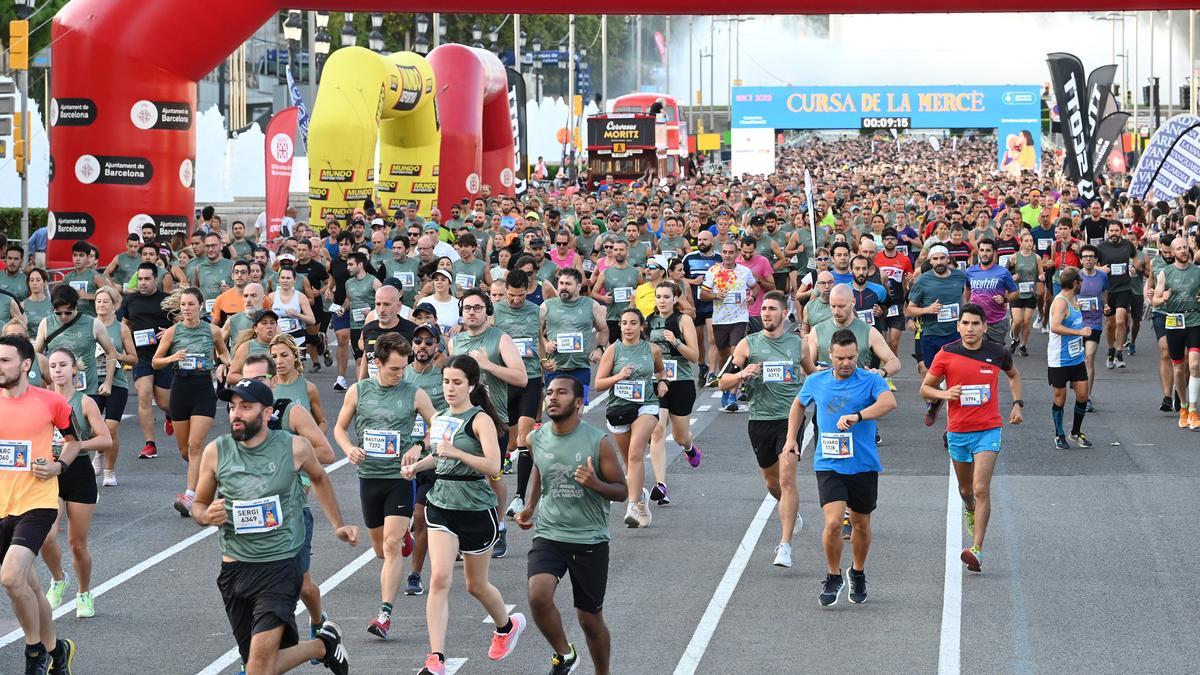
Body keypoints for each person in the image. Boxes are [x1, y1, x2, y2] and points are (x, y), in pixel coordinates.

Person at [191, 378, 356, 675]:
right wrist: (205, 515)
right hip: (235, 569)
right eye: (232, 407)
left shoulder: (294, 447)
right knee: (259, 666)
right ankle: (323, 646)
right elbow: (198, 504)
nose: (236, 414)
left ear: (267, 413)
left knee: (256, 668)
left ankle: (322, 645)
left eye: (246, 407)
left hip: (280, 566)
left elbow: (320, 478)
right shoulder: (217, 451)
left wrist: (338, 525)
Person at [400, 355, 528, 675]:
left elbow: (493, 466)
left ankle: (506, 626)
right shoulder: (441, 416)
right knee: (439, 578)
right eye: (446, 382)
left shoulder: (480, 419)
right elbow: (437, 455)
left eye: (457, 382)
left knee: (475, 585)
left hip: (475, 504)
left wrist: (458, 452)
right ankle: (436, 658)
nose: (450, 388)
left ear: (471, 385)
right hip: (441, 502)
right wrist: (416, 467)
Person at [515, 376, 627, 675]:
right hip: (550, 533)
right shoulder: (536, 437)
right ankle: (564, 654)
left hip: (589, 538)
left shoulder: (597, 441)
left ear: (578, 403)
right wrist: (530, 505)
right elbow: (540, 466)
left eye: (561, 393)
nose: (552, 398)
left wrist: (595, 484)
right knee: (538, 595)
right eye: (549, 393)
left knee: (589, 619)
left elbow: (622, 490)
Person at [332, 331, 436, 639]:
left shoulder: (414, 393)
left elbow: (438, 425)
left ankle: (384, 615)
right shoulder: (358, 391)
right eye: (394, 368)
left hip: (400, 479)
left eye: (403, 368)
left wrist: (419, 446)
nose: (400, 374)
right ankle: (405, 538)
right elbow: (339, 428)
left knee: (391, 547)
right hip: (369, 478)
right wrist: (349, 448)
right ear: (376, 363)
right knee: (380, 549)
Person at [792, 329, 897, 606]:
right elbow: (799, 405)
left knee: (861, 525)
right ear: (831, 355)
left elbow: (889, 403)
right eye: (841, 358)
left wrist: (858, 416)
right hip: (829, 462)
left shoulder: (871, 380)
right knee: (834, 522)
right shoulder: (816, 381)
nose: (846, 363)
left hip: (862, 463)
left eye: (851, 357)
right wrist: (792, 438)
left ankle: (858, 572)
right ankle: (833, 575)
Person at [241, 350, 334, 653]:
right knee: (254, 592)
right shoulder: (238, 419)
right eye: (246, 380)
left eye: (257, 379)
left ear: (271, 382)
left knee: (302, 587)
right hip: (252, 517)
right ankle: (254, 657)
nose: (250, 386)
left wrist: (290, 458)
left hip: (291, 513)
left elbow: (326, 453)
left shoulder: (289, 411)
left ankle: (319, 624)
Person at [920, 304, 1023, 573]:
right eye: (965, 323)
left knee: (980, 488)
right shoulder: (947, 354)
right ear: (958, 326)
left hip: (988, 429)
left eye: (975, 324)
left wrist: (1017, 403)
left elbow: (1013, 375)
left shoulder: (997, 353)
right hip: (958, 432)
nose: (970, 329)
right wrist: (945, 395)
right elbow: (925, 388)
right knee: (966, 491)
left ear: (984, 327)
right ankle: (969, 508)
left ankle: (977, 549)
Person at [0, 335, 79, 675]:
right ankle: (57, 650)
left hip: (37, 502)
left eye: (5, 360)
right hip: (3, 504)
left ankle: (34, 654)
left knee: (11, 577)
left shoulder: (51, 402)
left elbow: (74, 441)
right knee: (30, 586)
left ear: (26, 365)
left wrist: (59, 465)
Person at [720, 291, 811, 567]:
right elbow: (722, 382)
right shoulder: (748, 345)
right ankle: (791, 512)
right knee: (772, 483)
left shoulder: (799, 345)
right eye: (764, 309)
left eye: (773, 309)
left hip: (791, 419)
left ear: (785, 314)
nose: (767, 313)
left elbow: (813, 374)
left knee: (786, 479)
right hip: (760, 419)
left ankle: (785, 546)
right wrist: (742, 374)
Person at [448, 288, 528, 557]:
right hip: (461, 420)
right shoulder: (455, 342)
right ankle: (464, 533)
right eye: (467, 308)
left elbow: (521, 378)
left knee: (491, 475)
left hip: (494, 419)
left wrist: (488, 365)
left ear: (487, 311)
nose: (472, 312)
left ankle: (500, 526)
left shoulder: (500, 338)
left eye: (477, 307)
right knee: (462, 476)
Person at [40, 348, 113, 620]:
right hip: (51, 471)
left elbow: (106, 439)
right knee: (46, 537)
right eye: (54, 365)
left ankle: (84, 592)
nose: (57, 370)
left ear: (74, 369)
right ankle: (58, 579)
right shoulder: (43, 400)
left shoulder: (85, 402)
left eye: (63, 365)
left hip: (79, 470)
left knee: (77, 543)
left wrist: (75, 444)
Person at [151, 288, 231, 516]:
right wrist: (173, 358)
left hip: (203, 388)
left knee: (196, 445)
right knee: (186, 450)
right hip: (180, 388)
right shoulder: (173, 332)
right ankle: (213, 469)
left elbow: (224, 353)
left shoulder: (213, 331)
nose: (186, 309)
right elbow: (156, 362)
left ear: (200, 306)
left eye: (190, 304)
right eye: (183, 305)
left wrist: (227, 363)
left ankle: (190, 496)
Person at [594, 308, 667, 529]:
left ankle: (632, 505)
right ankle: (641, 495)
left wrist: (663, 382)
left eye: (633, 323)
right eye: (624, 323)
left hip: (646, 405)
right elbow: (598, 384)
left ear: (641, 326)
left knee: (636, 452)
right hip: (619, 409)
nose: (627, 327)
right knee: (629, 462)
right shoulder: (613, 350)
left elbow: (661, 371)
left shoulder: (651, 349)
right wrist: (619, 376)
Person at [645, 281, 703, 505]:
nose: (661, 301)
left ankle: (689, 447)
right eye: (658, 296)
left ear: (675, 298)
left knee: (679, 436)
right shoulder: (649, 321)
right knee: (657, 431)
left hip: (682, 381)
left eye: (666, 297)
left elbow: (695, 356)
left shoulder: (683, 319)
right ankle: (661, 485)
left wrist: (676, 341)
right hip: (657, 381)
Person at [492, 271, 544, 518]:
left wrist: (545, 357)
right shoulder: (496, 311)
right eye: (511, 296)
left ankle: (519, 497)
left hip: (531, 378)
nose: (515, 300)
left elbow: (541, 337)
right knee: (510, 441)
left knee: (524, 438)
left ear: (527, 289)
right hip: (504, 381)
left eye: (520, 295)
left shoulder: (536, 310)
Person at [403, 322, 445, 597]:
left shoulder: (444, 378)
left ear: (437, 347)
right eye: (418, 340)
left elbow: (440, 423)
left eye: (428, 342)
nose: (422, 346)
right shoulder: (400, 374)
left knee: (421, 516)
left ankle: (415, 574)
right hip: (397, 459)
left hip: (430, 458)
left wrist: (422, 444)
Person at [907, 245, 969, 424]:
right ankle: (937, 401)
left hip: (954, 335)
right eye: (935, 259)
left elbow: (963, 299)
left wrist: (964, 319)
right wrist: (928, 309)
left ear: (948, 259)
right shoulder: (923, 280)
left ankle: (953, 425)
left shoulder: (959, 276)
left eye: (942, 258)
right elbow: (910, 309)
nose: (939, 262)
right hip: (931, 334)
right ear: (930, 260)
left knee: (955, 378)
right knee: (933, 379)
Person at [124, 263, 175, 460]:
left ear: (155, 280)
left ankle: (170, 416)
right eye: (140, 279)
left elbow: (180, 322)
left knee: (164, 402)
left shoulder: (166, 300)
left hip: (162, 356)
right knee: (144, 395)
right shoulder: (131, 301)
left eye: (147, 279)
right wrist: (126, 337)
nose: (143, 283)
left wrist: (169, 332)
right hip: (141, 357)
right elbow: (126, 322)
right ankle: (150, 444)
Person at [701, 240, 757, 412]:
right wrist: (715, 295)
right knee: (724, 357)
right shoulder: (713, 271)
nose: (727, 255)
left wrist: (752, 297)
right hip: (720, 320)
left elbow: (755, 287)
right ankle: (726, 387)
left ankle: (733, 394)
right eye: (724, 252)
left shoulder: (744, 271)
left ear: (736, 253)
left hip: (739, 318)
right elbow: (703, 294)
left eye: (730, 252)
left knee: (735, 355)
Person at [1152, 235, 1200, 430]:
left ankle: (1195, 411)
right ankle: (1184, 407)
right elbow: (1155, 300)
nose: (1182, 251)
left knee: (1195, 364)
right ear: (1172, 252)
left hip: (1194, 319)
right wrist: (1161, 298)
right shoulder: (1165, 273)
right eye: (1178, 248)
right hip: (1174, 321)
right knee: (1179, 369)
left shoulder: (1198, 271)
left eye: (1184, 247)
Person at [91, 287, 137, 486]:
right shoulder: (88, 326)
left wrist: (115, 354)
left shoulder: (121, 328)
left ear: (114, 305)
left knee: (111, 428)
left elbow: (134, 358)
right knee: (91, 427)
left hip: (117, 382)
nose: (101, 305)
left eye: (105, 301)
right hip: (92, 380)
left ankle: (109, 470)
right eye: (98, 301)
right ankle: (100, 449)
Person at [540, 268, 608, 395]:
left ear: (578, 286)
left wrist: (599, 348)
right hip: (554, 367)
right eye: (561, 283)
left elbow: (603, 329)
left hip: (581, 368)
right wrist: (545, 343)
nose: (563, 287)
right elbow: (536, 333)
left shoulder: (591, 305)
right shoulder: (547, 305)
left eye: (568, 284)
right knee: (557, 409)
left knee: (578, 408)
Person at [1047, 267, 1093, 449]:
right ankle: (1059, 434)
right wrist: (1079, 332)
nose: (1081, 284)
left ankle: (1075, 432)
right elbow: (1055, 326)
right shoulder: (1061, 303)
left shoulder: (1072, 301)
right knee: (1060, 398)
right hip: (1059, 359)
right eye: (1080, 281)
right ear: (1075, 283)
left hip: (1076, 358)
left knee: (1083, 394)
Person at [1096, 221, 1140, 369]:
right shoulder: (1101, 247)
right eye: (1111, 231)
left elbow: (1135, 258)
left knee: (1121, 321)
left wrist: (1133, 267)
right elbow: (1090, 264)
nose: (1114, 233)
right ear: (1107, 232)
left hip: (1124, 287)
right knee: (1110, 323)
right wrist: (1100, 268)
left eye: (1116, 230)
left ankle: (1119, 352)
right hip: (1107, 290)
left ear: (1121, 231)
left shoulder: (1128, 245)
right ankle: (1110, 350)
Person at [964, 239, 1019, 346]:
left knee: (995, 356)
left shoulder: (1003, 272)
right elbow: (968, 290)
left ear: (994, 253)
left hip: (997, 323)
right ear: (978, 252)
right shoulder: (970, 271)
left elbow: (1016, 293)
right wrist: (966, 307)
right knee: (977, 354)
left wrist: (1004, 299)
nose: (984, 253)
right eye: (982, 250)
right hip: (976, 321)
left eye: (988, 250)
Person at [1076, 246, 1108, 411]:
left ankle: (1087, 397)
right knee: (1078, 359)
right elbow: (1067, 296)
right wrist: (1075, 305)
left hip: (1094, 323)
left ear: (1096, 260)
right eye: (1085, 257)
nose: (1088, 259)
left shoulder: (1102, 275)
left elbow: (1104, 292)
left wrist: (1106, 305)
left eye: (1091, 257)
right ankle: (1078, 386)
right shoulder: (1076, 276)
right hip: (1076, 324)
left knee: (1089, 358)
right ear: (1081, 260)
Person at [1007, 232, 1042, 356]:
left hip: (1031, 293)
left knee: (1027, 321)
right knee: (1017, 321)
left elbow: (1040, 274)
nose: (1029, 243)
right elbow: (1006, 274)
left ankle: (1023, 345)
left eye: (1031, 241)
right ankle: (1015, 338)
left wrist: (1041, 277)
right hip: (1017, 293)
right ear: (1021, 243)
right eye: (1026, 241)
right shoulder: (1014, 257)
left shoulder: (1037, 257)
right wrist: (1013, 277)